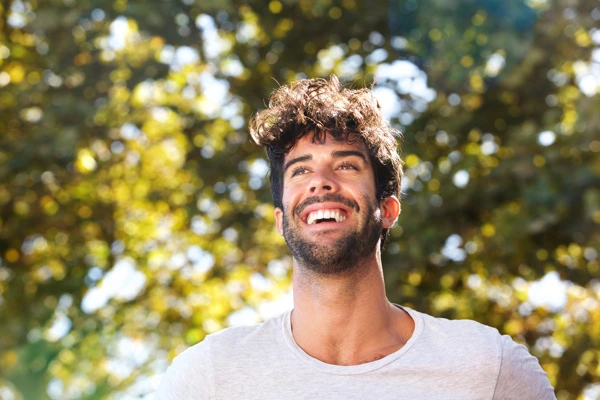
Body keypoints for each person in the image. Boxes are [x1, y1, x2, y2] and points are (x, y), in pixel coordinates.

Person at [156, 75, 556, 399]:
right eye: (300, 170)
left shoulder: (488, 368)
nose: (321, 183)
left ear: (389, 210)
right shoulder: (210, 377)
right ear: (280, 220)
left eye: (346, 166)